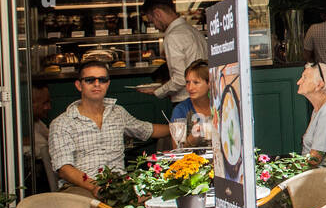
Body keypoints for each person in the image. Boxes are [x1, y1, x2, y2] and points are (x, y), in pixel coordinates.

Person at [48, 59, 171, 197]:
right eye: (90, 80)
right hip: (80, 187)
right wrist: (95, 187)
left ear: (108, 84)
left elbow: (148, 130)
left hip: (119, 184)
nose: (97, 84)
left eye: (102, 80)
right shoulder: (62, 123)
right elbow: (64, 169)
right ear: (79, 85)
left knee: (155, 199)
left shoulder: (117, 112)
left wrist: (179, 129)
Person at [137, 0, 209, 105]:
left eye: (152, 21)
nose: (155, 26)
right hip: (204, 96)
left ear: (157, 13)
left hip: (186, 99)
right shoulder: (194, 31)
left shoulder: (172, 36)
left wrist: (158, 91)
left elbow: (180, 78)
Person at [169, 60, 213, 148]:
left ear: (209, 83)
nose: (190, 87)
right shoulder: (181, 110)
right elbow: (176, 149)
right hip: (191, 161)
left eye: (196, 82)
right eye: (187, 82)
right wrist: (191, 140)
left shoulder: (219, 106)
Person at [31, 81, 52, 192]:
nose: (48, 107)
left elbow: (51, 138)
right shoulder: (21, 128)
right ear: (30, 104)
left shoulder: (37, 123)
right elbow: (44, 149)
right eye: (45, 103)